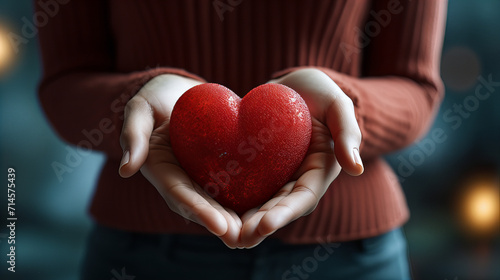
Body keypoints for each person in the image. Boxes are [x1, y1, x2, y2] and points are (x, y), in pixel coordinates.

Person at [37, 0, 447, 279]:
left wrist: (343, 110)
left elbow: (416, 87)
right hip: (140, 255)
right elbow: (65, 83)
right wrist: (138, 103)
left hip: (350, 259)